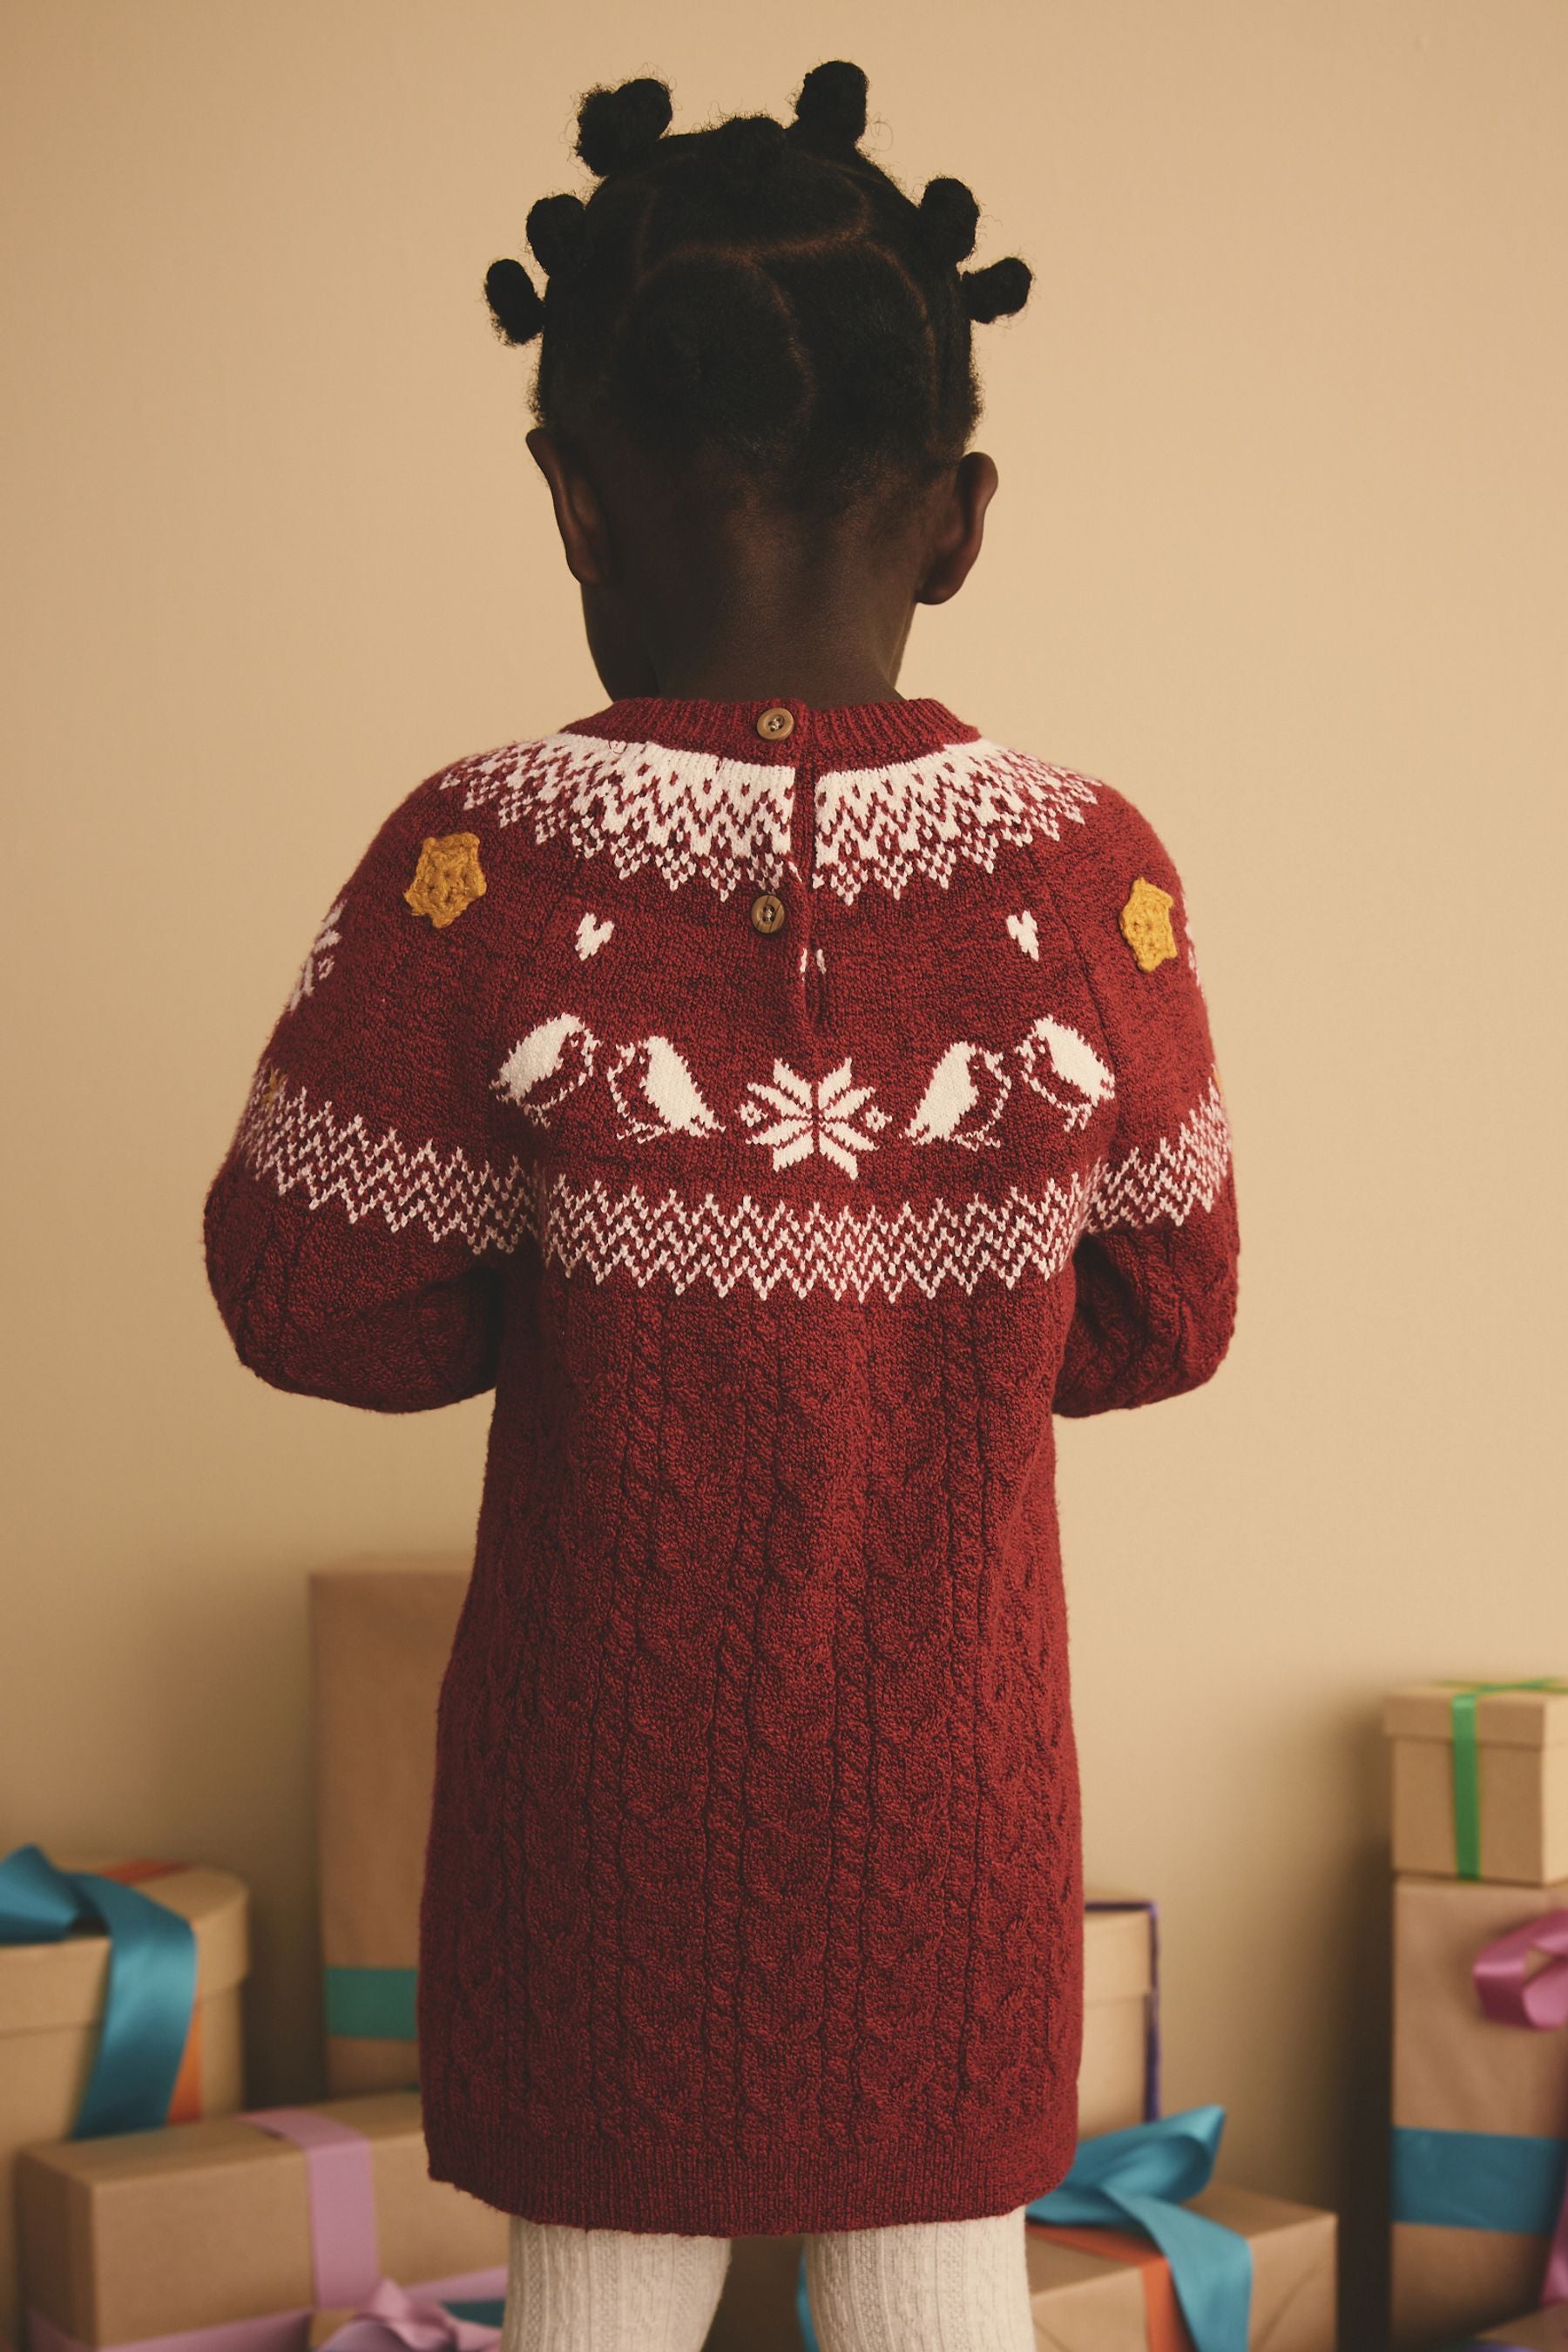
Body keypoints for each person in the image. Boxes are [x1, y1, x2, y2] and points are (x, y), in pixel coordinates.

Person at [204, 59, 1240, 2352]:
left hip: (595, 1835)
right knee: (938, 2295)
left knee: (591, 2306)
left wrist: (582, 1307)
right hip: (951, 1823)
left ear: (571, 500)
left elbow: (304, 1289)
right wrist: (917, 1319)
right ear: (958, 514)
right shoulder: (1092, 876)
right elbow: (1169, 1311)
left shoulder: (468, 853)